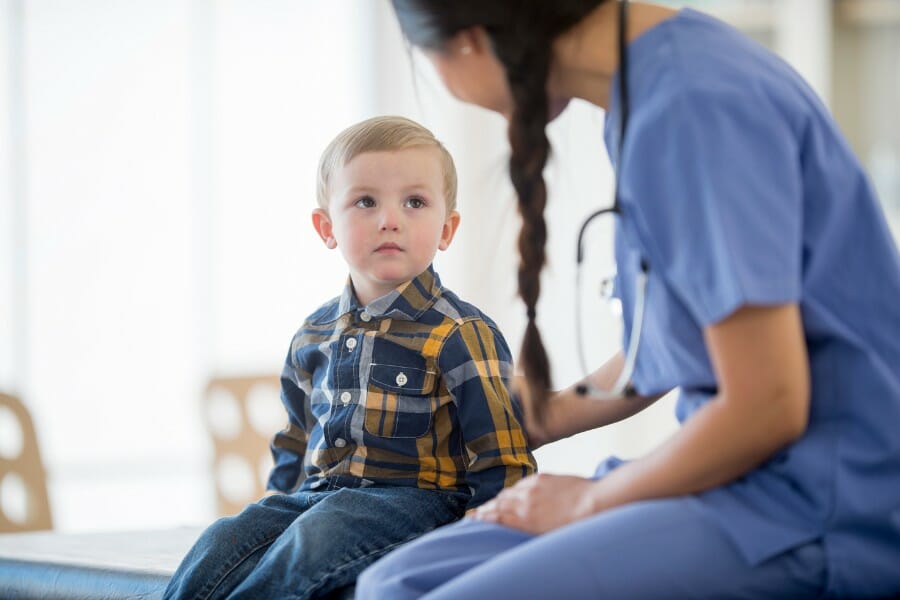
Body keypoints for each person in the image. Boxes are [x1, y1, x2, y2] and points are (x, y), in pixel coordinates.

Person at [356, 1, 900, 598]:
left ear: (468, 42)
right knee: (393, 581)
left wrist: (588, 501)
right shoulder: (655, 88)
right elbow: (679, 341)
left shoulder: (690, 106)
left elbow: (768, 401)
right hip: (752, 480)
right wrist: (531, 419)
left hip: (815, 503)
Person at [163, 115, 536, 599]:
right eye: (365, 201)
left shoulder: (460, 333)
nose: (390, 219)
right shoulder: (313, 333)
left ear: (447, 229)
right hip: (319, 496)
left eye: (415, 202)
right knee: (223, 539)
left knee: (315, 536)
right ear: (326, 227)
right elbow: (296, 436)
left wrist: (484, 540)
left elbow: (503, 455)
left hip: (418, 501)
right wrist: (279, 506)